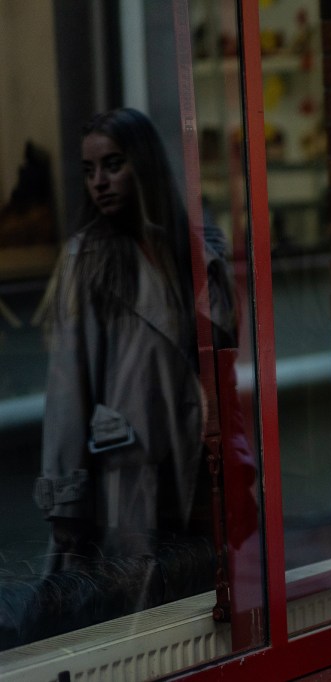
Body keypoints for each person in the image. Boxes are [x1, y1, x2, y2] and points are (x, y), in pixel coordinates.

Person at [33, 108, 236, 616]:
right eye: (89, 170)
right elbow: (67, 392)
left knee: (202, 619)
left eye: (113, 164)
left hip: (198, 471)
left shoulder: (196, 254)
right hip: (127, 478)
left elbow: (222, 366)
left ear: (143, 164)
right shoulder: (88, 259)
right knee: (135, 623)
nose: (99, 182)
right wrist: (66, 502)